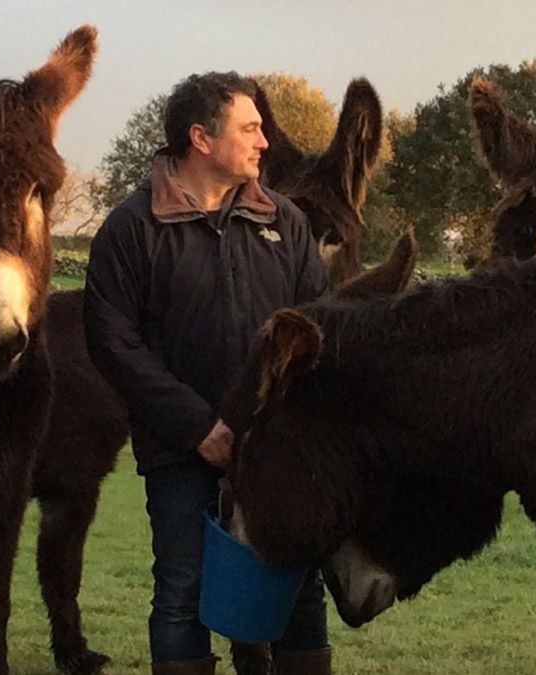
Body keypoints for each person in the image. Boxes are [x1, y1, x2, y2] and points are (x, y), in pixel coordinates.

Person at [84, 72, 331, 675]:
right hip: (180, 452)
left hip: (280, 451)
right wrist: (199, 427)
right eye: (250, 128)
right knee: (181, 598)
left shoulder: (287, 222)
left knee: (300, 592)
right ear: (200, 137)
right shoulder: (132, 229)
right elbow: (114, 344)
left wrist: (283, 429)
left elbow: (321, 327)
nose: (265, 141)